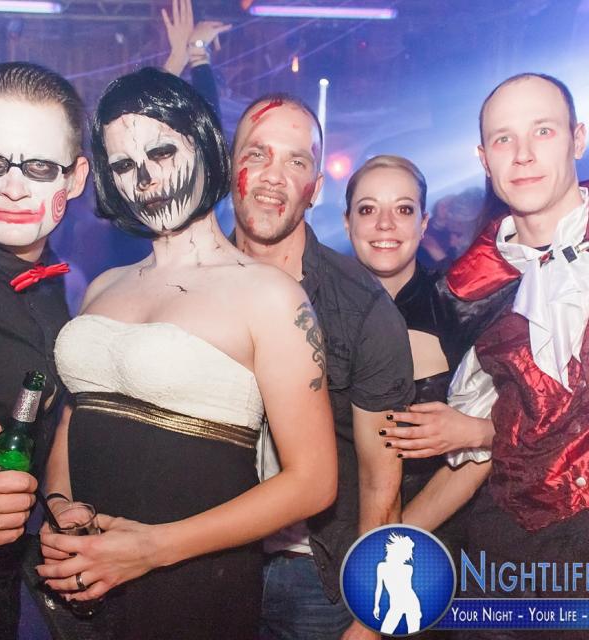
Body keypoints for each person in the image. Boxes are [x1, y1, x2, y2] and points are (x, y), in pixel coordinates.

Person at [37, 69, 337, 640]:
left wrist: (152, 549)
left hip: (195, 577)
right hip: (88, 575)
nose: (145, 178)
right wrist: (61, 506)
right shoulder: (102, 285)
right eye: (123, 164)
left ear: (203, 144)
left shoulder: (269, 294)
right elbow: (75, 416)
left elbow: (314, 481)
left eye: (161, 152)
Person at [230, 95, 415, 640]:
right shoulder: (186, 285)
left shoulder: (361, 307)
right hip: (206, 561)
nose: (273, 176)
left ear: (314, 187)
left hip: (314, 576)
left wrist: (370, 617)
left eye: (296, 161)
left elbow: (382, 481)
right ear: (228, 165)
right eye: (257, 153)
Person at [436, 73, 589, 639]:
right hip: (501, 561)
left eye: (542, 131)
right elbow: (477, 436)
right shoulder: (467, 286)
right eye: (504, 139)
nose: (522, 154)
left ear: (577, 138)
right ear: (483, 158)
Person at [0, 61, 88, 639]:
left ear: (75, 179)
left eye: (38, 167)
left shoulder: (53, 286)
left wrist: (61, 503)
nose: (12, 187)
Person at [342, 155, 493, 555]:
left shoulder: (463, 310)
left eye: (404, 209)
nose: (385, 224)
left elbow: (485, 449)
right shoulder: (315, 311)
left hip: (438, 542)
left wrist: (384, 546)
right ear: (347, 222)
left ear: (423, 223)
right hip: (326, 543)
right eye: (368, 209)